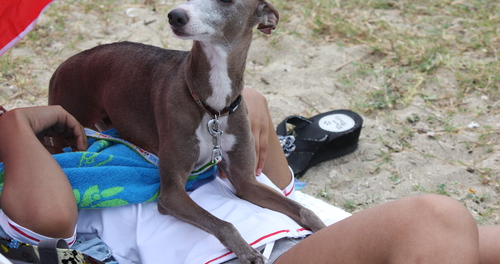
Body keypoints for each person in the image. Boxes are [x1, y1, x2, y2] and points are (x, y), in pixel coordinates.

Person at [0, 89, 499, 264]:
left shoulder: (121, 152)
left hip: (306, 239)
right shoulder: (21, 187)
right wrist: (13, 127)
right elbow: (48, 219)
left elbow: (279, 192)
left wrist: (247, 120)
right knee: (434, 218)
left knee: (471, 239)